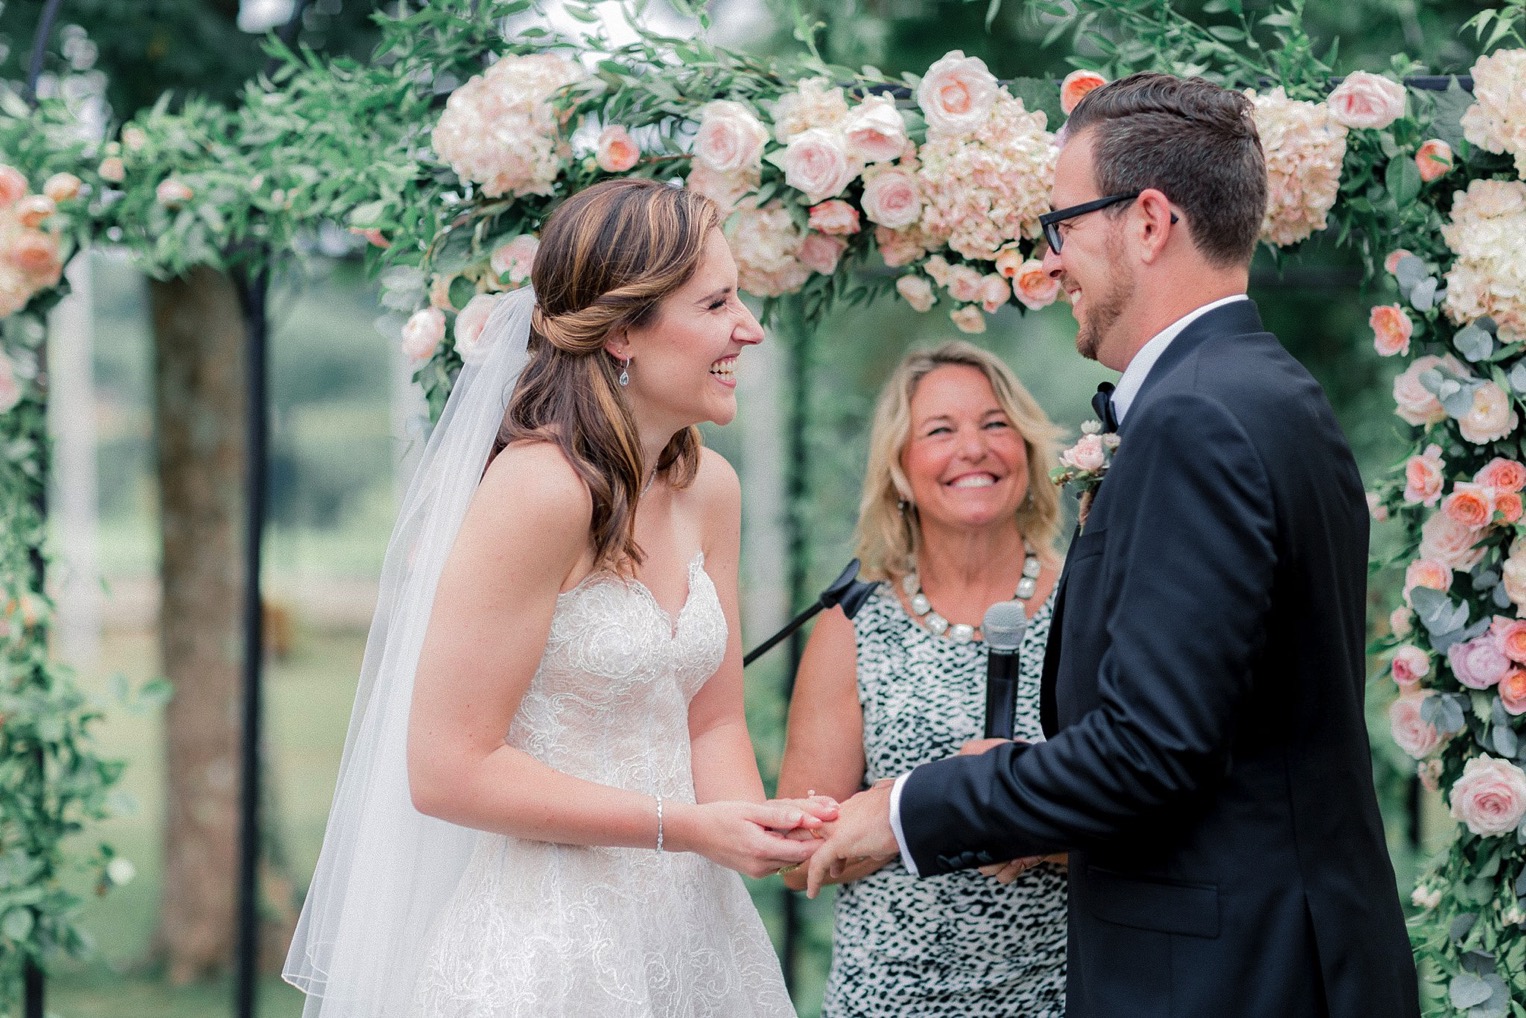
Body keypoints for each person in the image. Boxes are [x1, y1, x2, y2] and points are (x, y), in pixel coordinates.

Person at [804, 73, 1421, 1018]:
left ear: (1147, 221)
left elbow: (1151, 753)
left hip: (1225, 978)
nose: (1050, 263)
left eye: (1062, 226)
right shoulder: (1274, 394)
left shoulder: (1195, 422)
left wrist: (907, 808)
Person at [284, 178, 835, 1017]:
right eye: (718, 302)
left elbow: (712, 720)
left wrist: (755, 824)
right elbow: (447, 771)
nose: (749, 328)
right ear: (623, 331)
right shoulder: (538, 491)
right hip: (550, 945)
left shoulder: (708, 486)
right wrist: (681, 825)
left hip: (693, 929)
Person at [776, 341, 1067, 1017]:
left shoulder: (1087, 603)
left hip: (1058, 992)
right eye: (940, 430)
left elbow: (1143, 812)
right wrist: (926, 805)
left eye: (996, 425)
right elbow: (797, 859)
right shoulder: (854, 624)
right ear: (901, 471)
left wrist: (1011, 822)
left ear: (1025, 450)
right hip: (890, 996)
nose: (974, 448)